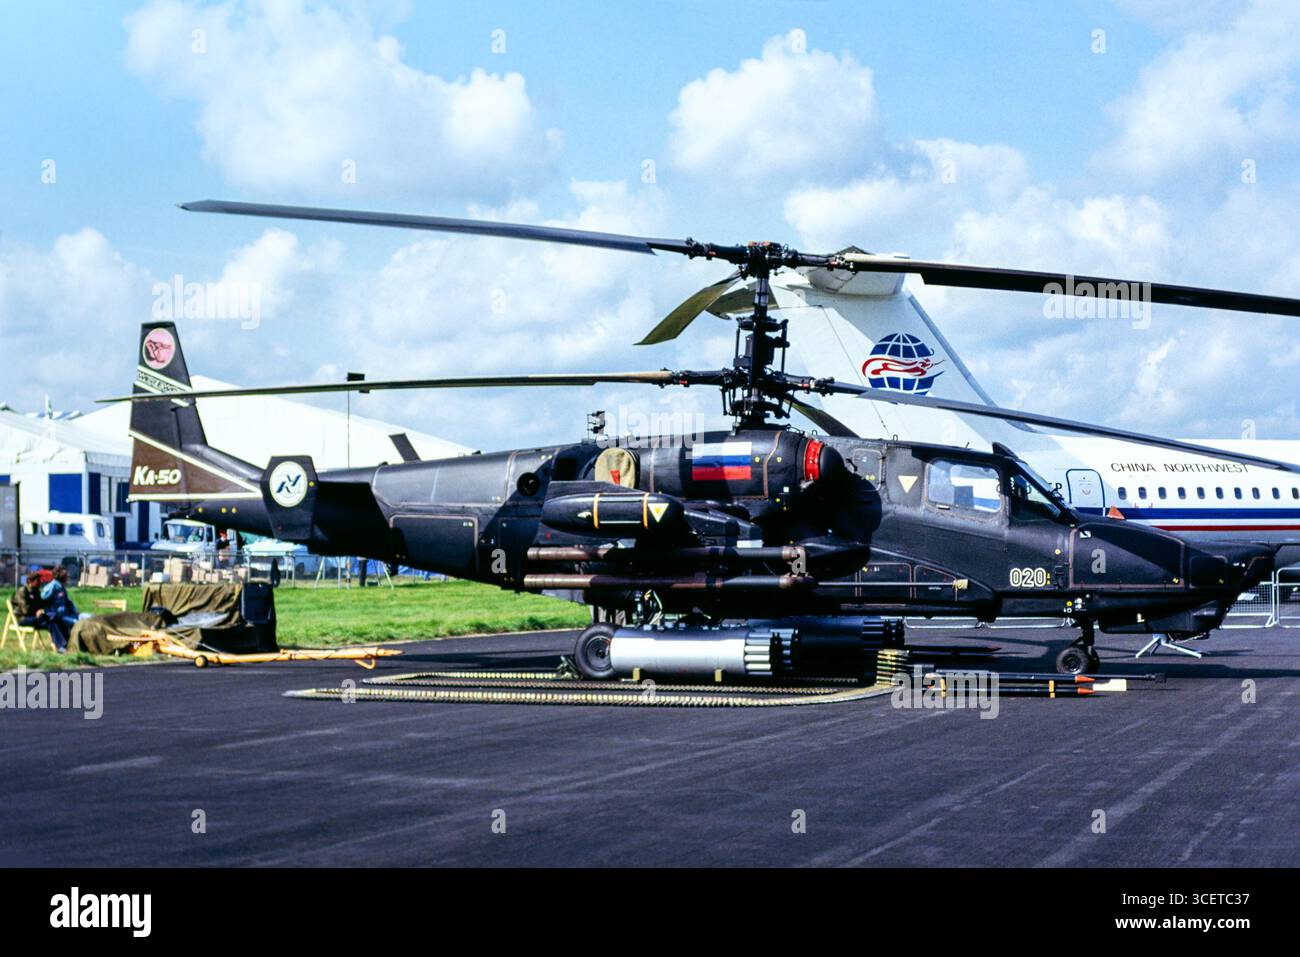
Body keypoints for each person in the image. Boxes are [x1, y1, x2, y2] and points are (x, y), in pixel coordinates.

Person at [13, 571, 68, 652]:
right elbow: (25, 609)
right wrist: (38, 611)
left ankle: (64, 645)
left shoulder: (36, 591)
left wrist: (43, 609)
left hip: (35, 617)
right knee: (50, 619)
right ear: (31, 582)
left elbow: (41, 604)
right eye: (38, 581)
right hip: (23, 618)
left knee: (54, 619)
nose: (40, 582)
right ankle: (61, 646)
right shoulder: (22, 591)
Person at [38, 566, 81, 652]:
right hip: (58, 616)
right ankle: (71, 645)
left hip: (68, 614)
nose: (68, 577)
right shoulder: (52, 587)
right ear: (60, 576)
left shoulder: (61, 587)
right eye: (66, 575)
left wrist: (75, 610)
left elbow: (68, 602)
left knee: (87, 617)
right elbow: (41, 600)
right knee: (77, 623)